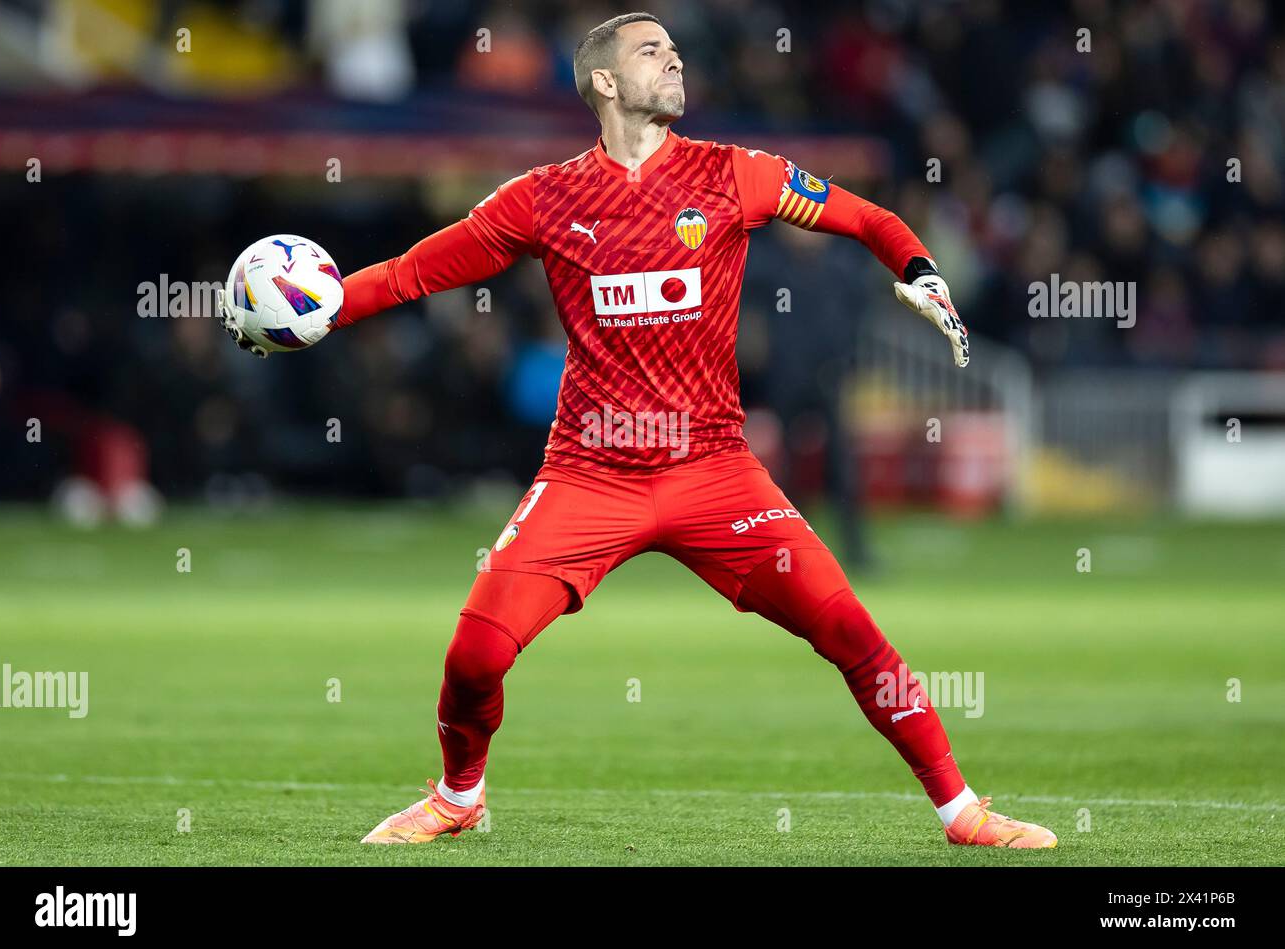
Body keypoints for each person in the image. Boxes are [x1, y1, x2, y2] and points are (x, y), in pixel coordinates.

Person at [221, 12, 1054, 850]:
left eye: (674, 48)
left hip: (715, 471)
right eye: (653, 52)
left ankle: (963, 813)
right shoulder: (543, 198)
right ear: (607, 84)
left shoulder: (739, 175)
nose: (675, 60)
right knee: (475, 654)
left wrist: (917, 267)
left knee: (849, 630)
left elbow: (867, 217)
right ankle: (457, 796)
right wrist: (327, 308)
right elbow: (413, 272)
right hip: (590, 475)